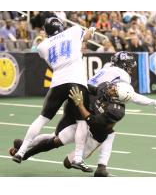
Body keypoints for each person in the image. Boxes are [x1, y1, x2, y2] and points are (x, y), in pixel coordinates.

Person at [12, 17, 96, 170]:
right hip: (76, 80)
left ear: (46, 30)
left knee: (42, 118)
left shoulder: (42, 46)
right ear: (61, 26)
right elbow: (88, 36)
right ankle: (77, 158)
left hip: (57, 82)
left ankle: (21, 151)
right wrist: (92, 29)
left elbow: (53, 62)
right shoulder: (74, 30)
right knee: (82, 121)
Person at [9, 81, 133, 175]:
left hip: (95, 136)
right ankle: (25, 153)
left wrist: (80, 104)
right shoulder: (105, 89)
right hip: (83, 125)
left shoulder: (116, 111)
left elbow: (93, 121)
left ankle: (24, 148)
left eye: (114, 91)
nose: (110, 88)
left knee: (67, 163)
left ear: (117, 98)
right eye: (113, 87)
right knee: (56, 140)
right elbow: (91, 88)